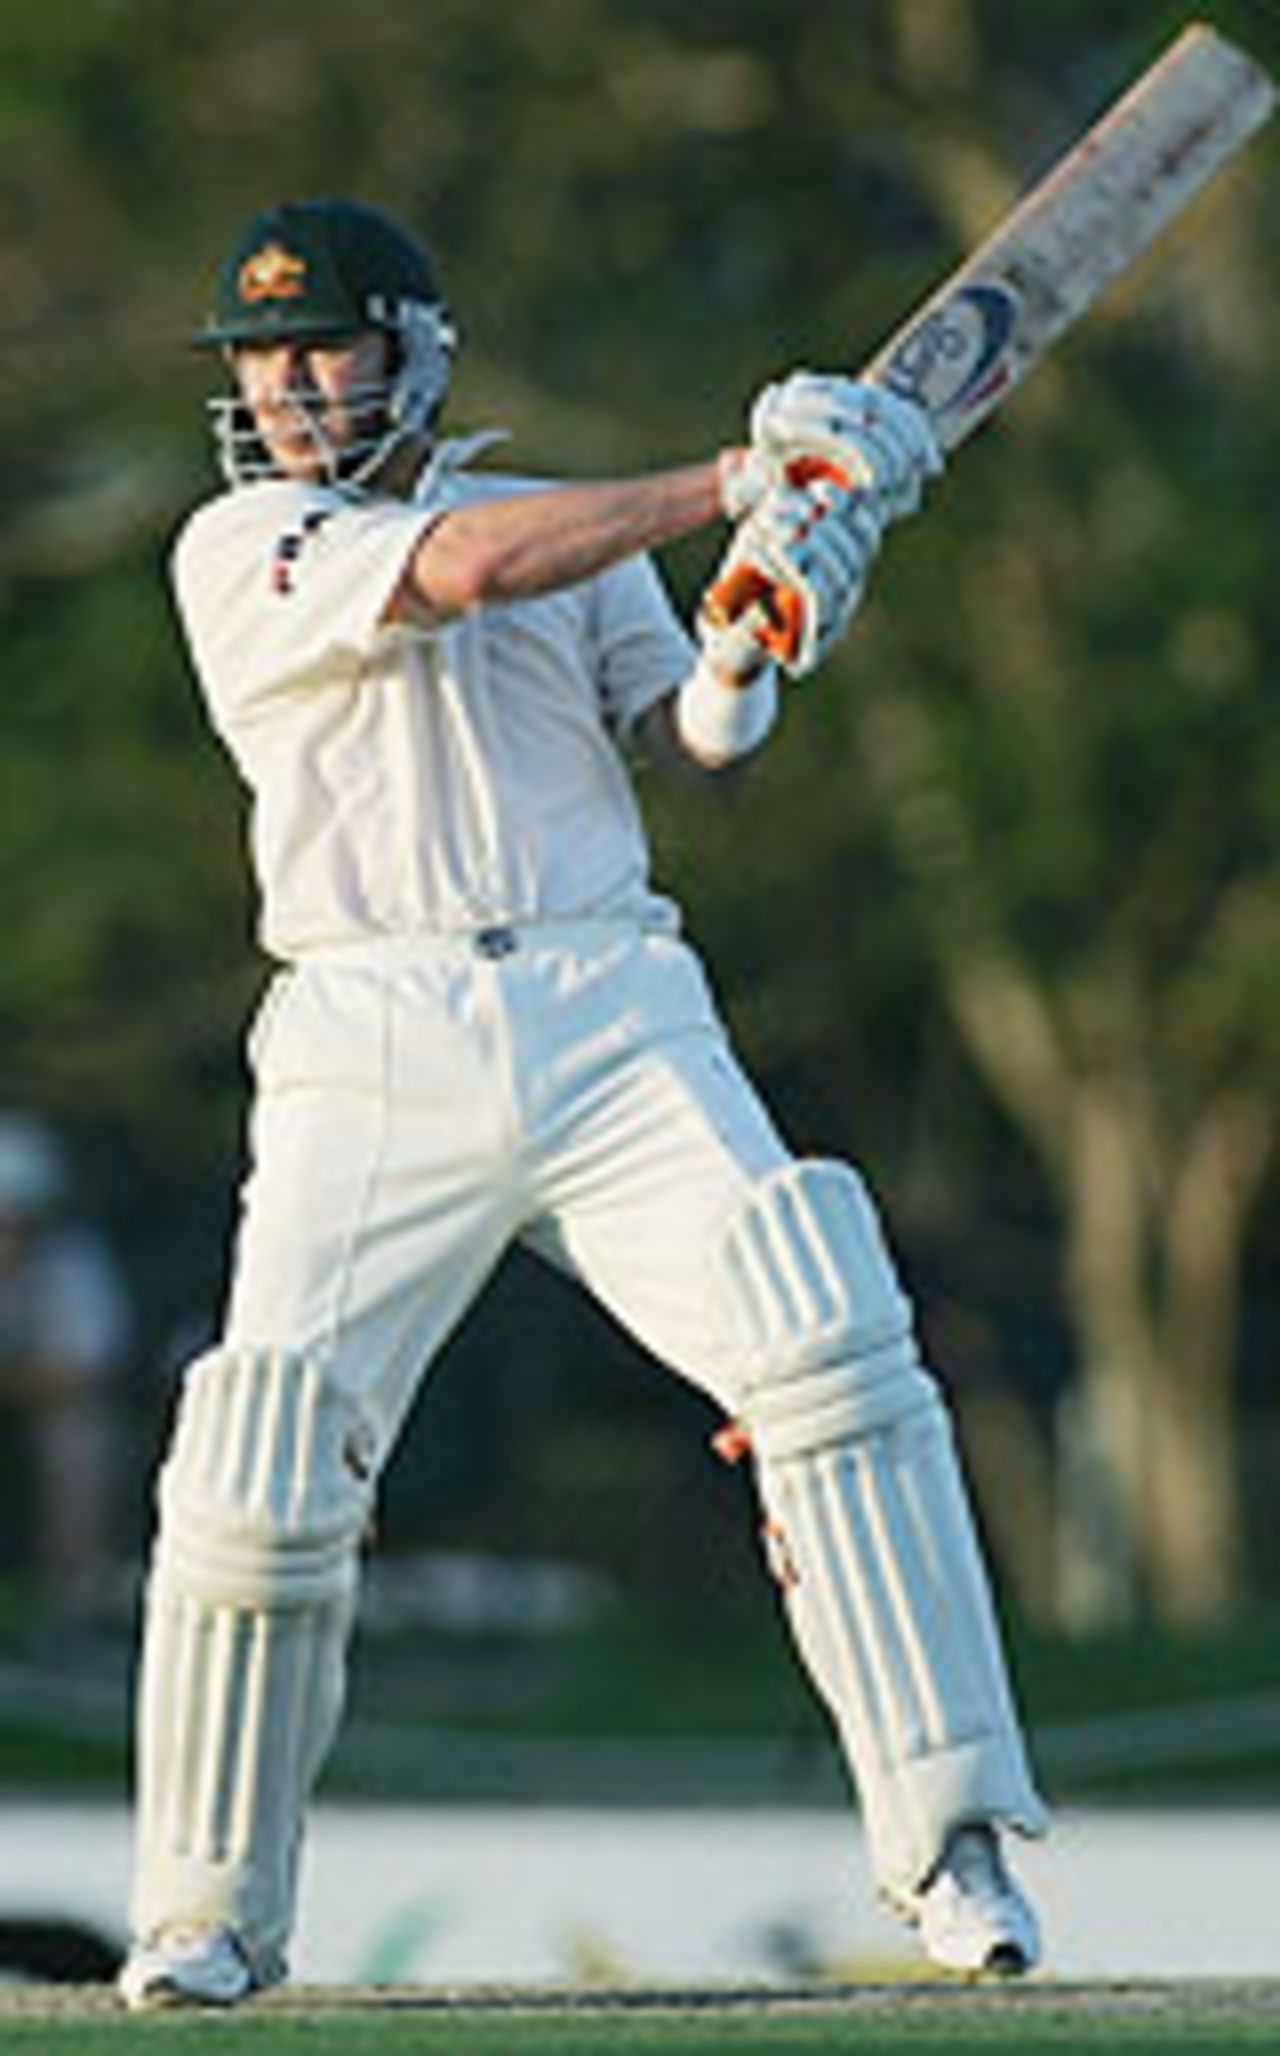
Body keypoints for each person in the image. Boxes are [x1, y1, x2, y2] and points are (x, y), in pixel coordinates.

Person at [119, 197, 1047, 2011]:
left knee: (829, 1340)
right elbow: (464, 574)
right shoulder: (243, 543)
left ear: (413, 351)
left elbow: (692, 732)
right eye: (264, 357)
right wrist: (729, 474)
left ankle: (957, 1848)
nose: (294, 384)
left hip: (609, 1001)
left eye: (327, 346)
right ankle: (208, 1915)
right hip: (365, 1032)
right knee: (261, 1461)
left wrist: (759, 617)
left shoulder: (551, 525)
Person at [0, 1111, 131, 1622]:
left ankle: (72, 1597)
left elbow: (84, 1372)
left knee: (81, 1440)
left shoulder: (72, 1263)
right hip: (27, 1394)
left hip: (44, 1411)